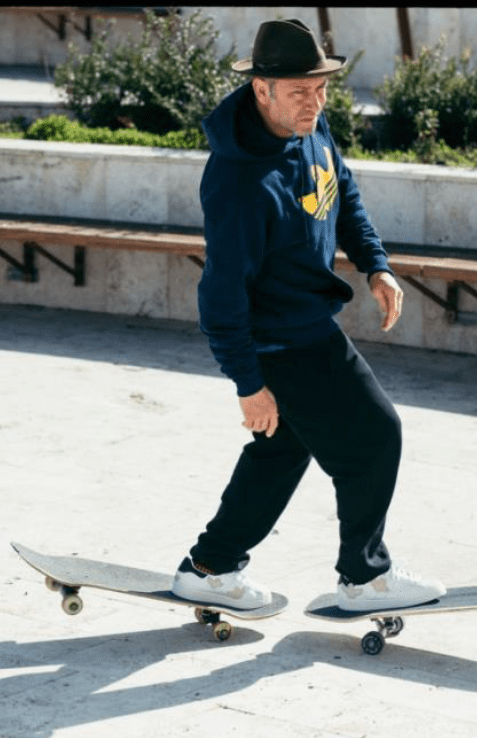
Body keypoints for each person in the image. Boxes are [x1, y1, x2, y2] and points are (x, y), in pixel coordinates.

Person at [171, 18, 447, 612]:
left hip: (306, 324)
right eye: (300, 91)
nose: (315, 103)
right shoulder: (240, 181)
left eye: (321, 88)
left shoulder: (311, 129)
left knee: (280, 452)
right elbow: (219, 296)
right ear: (261, 89)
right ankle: (365, 578)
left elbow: (342, 192)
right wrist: (248, 383)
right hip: (282, 340)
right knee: (376, 436)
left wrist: (376, 265)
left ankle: (210, 567)